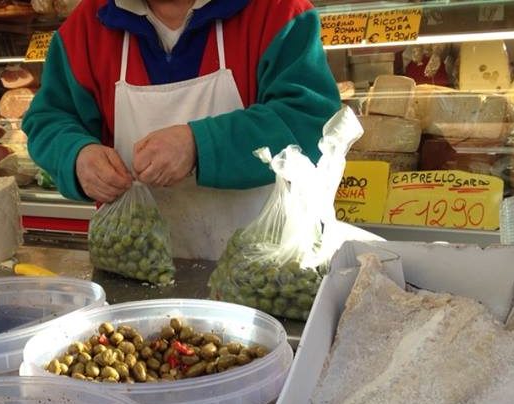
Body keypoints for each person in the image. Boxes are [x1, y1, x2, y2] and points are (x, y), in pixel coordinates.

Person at [22, 0, 340, 260]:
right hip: (135, 265)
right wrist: (76, 155)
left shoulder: (278, 12)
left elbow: (310, 122)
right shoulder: (87, 28)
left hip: (268, 269)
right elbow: (49, 119)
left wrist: (199, 145)